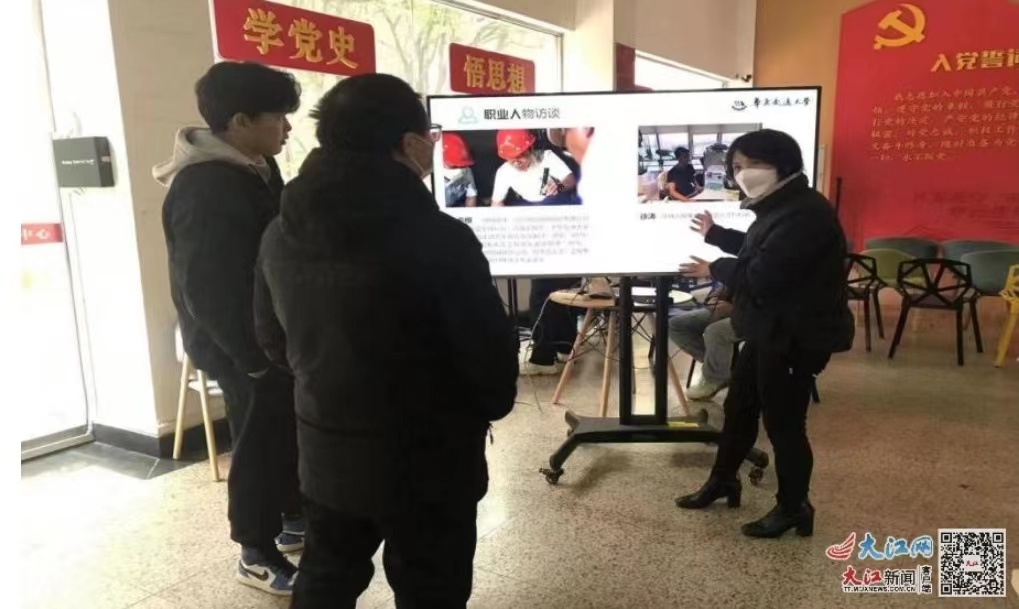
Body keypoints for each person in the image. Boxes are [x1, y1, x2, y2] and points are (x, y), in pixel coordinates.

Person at [256, 73, 519, 608]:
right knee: (431, 585)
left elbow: (270, 338)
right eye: (429, 136)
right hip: (431, 457)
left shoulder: (280, 231)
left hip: (328, 445)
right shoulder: (441, 239)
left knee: (327, 575)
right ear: (410, 143)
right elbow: (487, 353)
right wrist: (485, 407)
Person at [154, 61, 303, 595]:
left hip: (268, 334)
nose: (287, 128)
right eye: (278, 117)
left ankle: (292, 518)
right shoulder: (204, 186)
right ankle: (254, 551)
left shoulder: (256, 165)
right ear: (240, 121)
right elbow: (206, 288)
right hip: (238, 343)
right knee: (258, 441)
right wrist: (254, 359)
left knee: (282, 430)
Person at [674, 129, 854, 539]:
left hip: (796, 336)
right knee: (739, 408)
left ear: (783, 164)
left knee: (784, 425)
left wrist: (713, 267)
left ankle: (794, 507)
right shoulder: (780, 206)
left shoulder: (806, 213)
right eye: (737, 166)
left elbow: (763, 274)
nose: (743, 174)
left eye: (753, 164)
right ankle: (723, 480)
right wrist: (717, 235)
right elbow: (761, 249)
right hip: (767, 329)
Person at [668, 210, 745, 399]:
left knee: (716, 332)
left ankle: (715, 376)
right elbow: (734, 276)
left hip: (763, 313)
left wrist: (735, 308)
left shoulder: (782, 239)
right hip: (736, 305)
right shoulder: (759, 235)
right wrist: (716, 298)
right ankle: (725, 368)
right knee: (676, 325)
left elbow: (760, 279)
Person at [490, 129, 577, 206]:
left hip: (554, 200)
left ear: (530, 148)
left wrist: (560, 186)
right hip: (527, 204)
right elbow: (497, 203)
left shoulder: (547, 157)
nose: (516, 162)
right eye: (510, 158)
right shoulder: (503, 172)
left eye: (520, 155)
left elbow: (571, 179)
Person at [442, 133, 478, 207]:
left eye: (461, 165)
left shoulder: (466, 171)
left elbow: (471, 197)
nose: (459, 168)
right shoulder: (429, 179)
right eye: (453, 165)